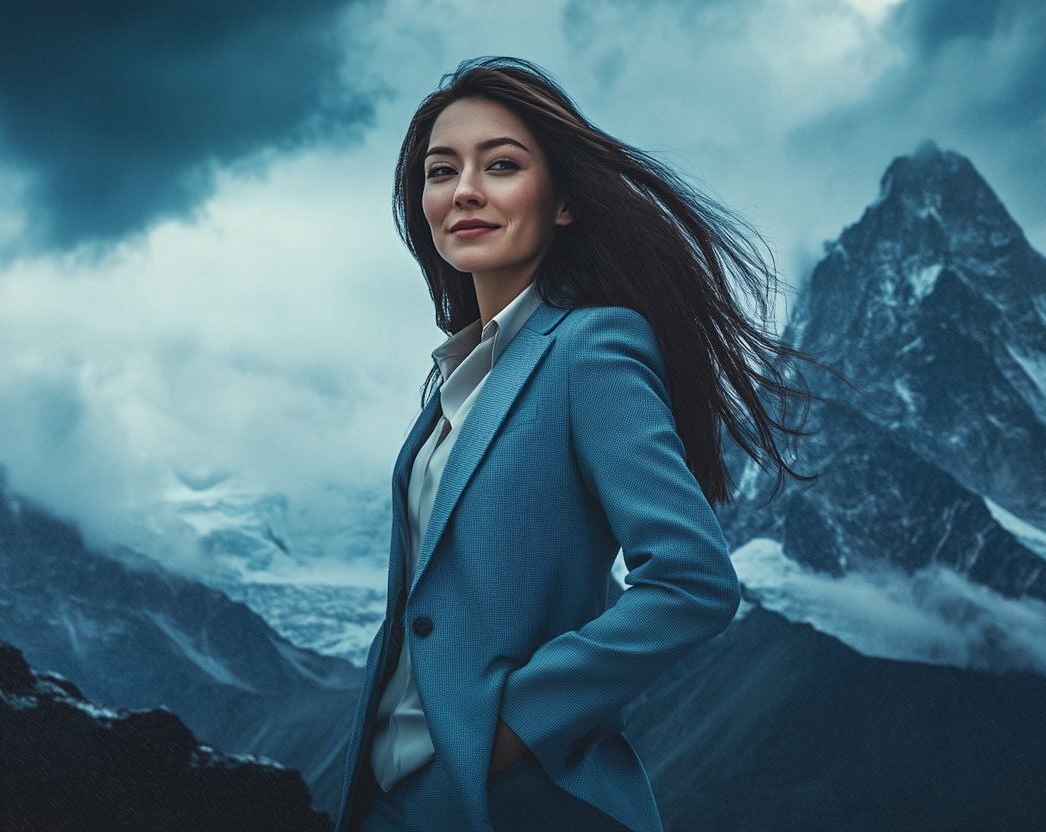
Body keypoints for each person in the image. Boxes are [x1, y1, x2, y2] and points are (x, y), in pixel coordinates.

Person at [338, 57, 816, 832]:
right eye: (440, 170)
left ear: (563, 202)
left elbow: (692, 581)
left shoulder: (591, 350)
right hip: (394, 799)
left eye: (500, 165)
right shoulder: (462, 379)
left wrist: (510, 728)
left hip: (512, 800)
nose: (463, 190)